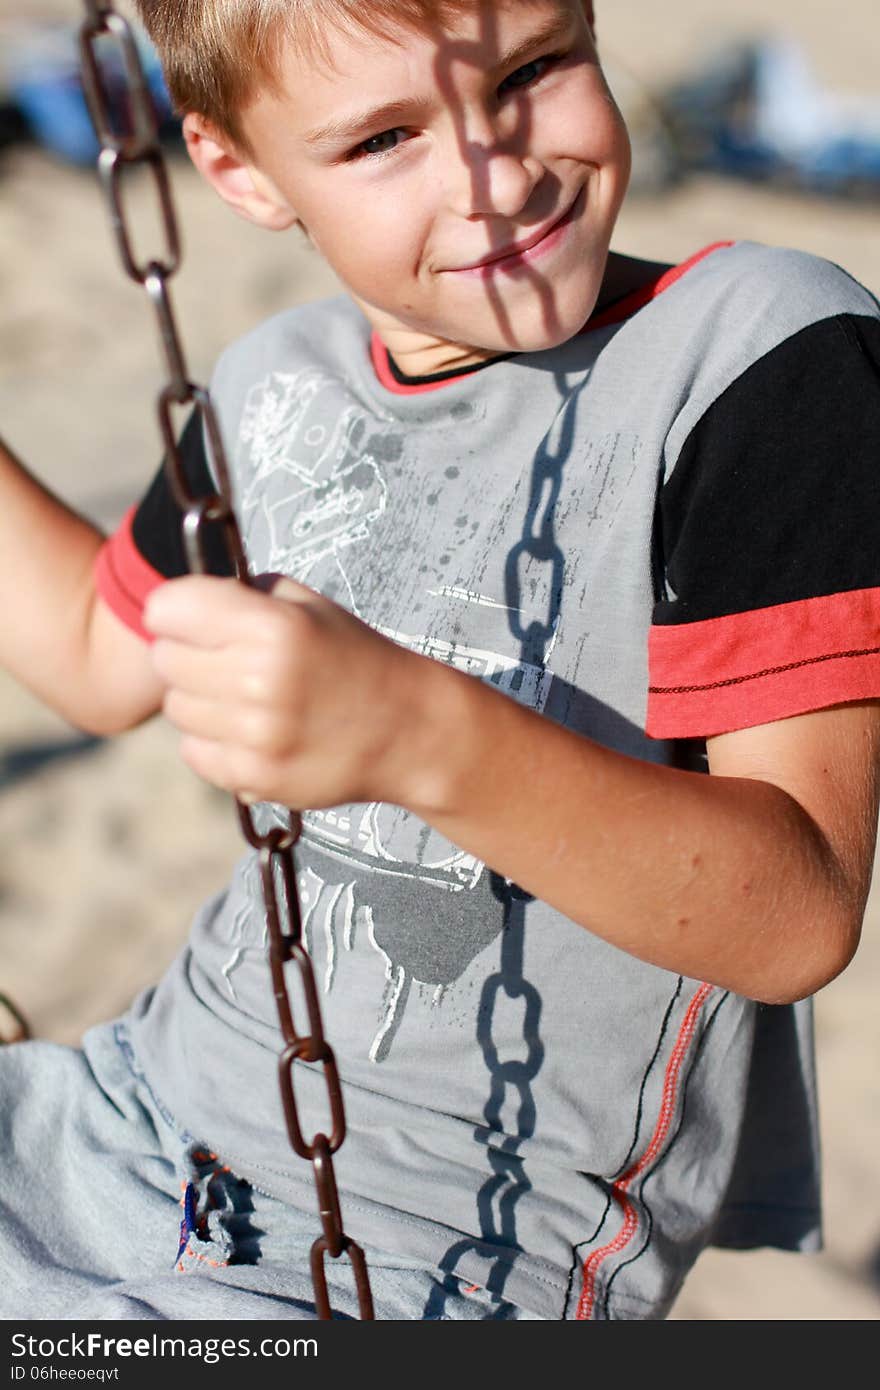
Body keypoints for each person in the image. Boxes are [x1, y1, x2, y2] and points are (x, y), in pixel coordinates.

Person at [1, 0, 880, 1322]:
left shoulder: (756, 352)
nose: (496, 173)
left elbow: (798, 909)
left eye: (532, 70)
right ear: (238, 172)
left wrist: (413, 730)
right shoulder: (271, 383)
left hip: (436, 1254)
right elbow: (92, 652)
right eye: (386, 137)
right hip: (123, 1111)